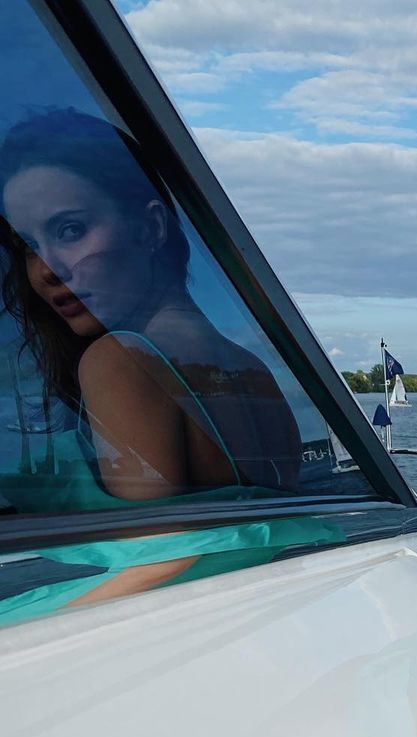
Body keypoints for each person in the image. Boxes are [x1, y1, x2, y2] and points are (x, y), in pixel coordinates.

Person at [0, 106, 301, 515]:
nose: (46, 270)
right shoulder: (254, 372)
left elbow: (158, 544)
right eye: (29, 246)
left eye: (70, 230)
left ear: (150, 228)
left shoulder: (120, 360)